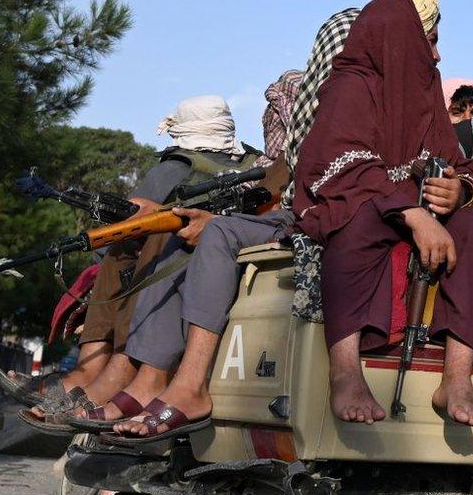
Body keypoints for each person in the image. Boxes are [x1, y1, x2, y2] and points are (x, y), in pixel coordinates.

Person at [60, 71, 303, 442]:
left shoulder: (176, 167)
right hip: (263, 216)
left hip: (274, 225)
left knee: (163, 239)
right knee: (166, 234)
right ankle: (128, 374)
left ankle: (118, 371)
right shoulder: (258, 164)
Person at [293, 0, 473, 427]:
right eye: (432, 41)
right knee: (355, 223)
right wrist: (415, 214)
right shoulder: (351, 83)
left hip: (412, 204)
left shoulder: (423, 95)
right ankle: (345, 371)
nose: (438, 56)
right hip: (359, 199)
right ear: (401, 38)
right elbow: (344, 168)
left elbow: (459, 165)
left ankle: (456, 379)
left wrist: (458, 190)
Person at [11, 95, 260, 433]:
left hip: (199, 255)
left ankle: (104, 371)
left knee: (133, 246)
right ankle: (104, 373)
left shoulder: (174, 167)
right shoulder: (253, 164)